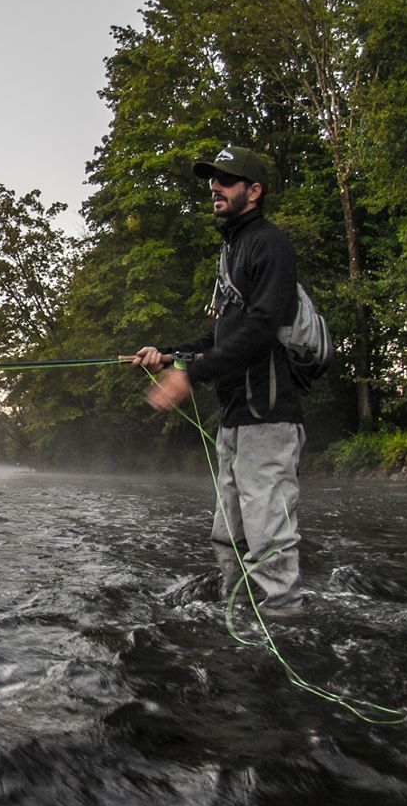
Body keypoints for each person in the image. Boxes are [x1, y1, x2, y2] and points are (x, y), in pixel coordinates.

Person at [127, 144, 307, 613]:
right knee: (228, 537)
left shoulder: (270, 243)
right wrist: (169, 356)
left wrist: (193, 376)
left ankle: (282, 629)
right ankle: (235, 618)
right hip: (234, 421)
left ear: (254, 191)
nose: (214, 187)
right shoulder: (231, 249)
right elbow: (220, 334)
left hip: (267, 418)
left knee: (268, 541)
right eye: (213, 179)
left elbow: (263, 327)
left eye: (226, 180)